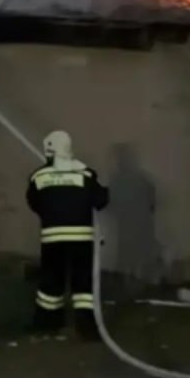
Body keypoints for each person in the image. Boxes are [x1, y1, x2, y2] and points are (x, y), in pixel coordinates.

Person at [26, 130, 110, 340]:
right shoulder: (86, 175)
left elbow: (34, 203)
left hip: (53, 240)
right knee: (83, 287)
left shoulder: (39, 176)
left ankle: (47, 326)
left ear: (49, 150)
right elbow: (101, 200)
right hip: (82, 240)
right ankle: (87, 329)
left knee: (51, 284)